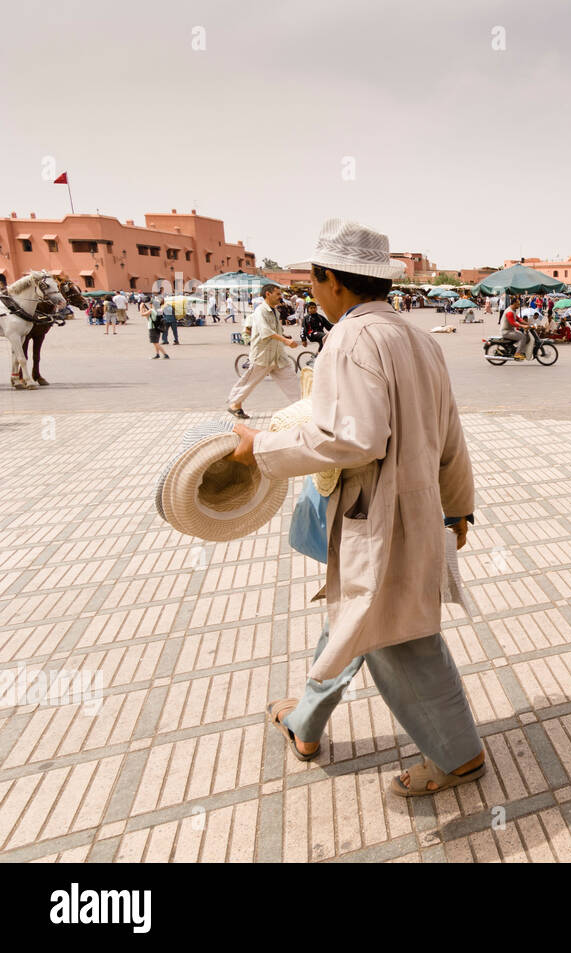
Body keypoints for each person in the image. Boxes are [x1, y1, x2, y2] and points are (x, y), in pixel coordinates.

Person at [229, 219, 483, 797]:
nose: (310, 291)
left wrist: (260, 446)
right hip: (411, 511)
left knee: (396, 637)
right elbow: (450, 434)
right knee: (365, 618)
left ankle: (459, 756)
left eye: (313, 279)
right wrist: (458, 506)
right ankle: (306, 723)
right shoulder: (419, 338)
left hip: (379, 514)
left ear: (331, 279)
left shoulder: (351, 337)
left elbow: (354, 438)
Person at [226, 283, 299, 418]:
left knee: (291, 380)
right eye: (277, 294)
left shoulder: (275, 312)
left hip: (277, 356)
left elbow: (277, 330)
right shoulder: (260, 311)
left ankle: (302, 406)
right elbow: (265, 331)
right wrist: (285, 341)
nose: (280, 297)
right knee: (249, 382)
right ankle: (234, 404)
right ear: (268, 294)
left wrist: (285, 336)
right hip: (263, 355)